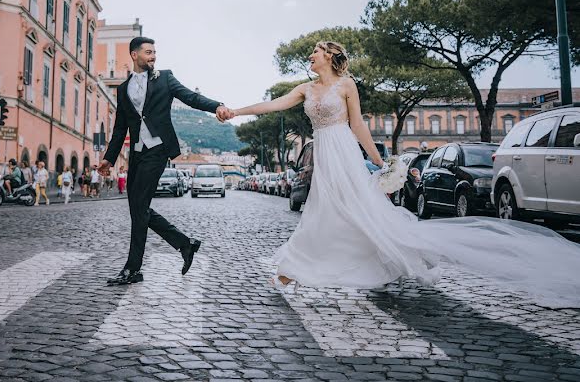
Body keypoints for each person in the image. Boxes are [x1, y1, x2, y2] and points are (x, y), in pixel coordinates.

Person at [226, 41, 580, 308]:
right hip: (325, 155)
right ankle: (296, 268)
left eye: (315, 53)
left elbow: (359, 125)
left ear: (330, 57)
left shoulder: (346, 85)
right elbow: (272, 104)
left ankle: (365, 257)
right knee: (324, 209)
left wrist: (379, 161)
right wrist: (237, 110)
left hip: (343, 152)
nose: (310, 57)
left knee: (353, 209)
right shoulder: (306, 89)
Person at [99, 36, 231, 286]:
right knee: (138, 210)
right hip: (137, 153)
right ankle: (184, 244)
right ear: (134, 55)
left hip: (158, 150)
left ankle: (133, 268)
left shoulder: (165, 78)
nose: (153, 56)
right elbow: (119, 128)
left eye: (155, 52)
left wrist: (217, 106)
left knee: (139, 207)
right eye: (148, 52)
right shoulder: (122, 89)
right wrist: (109, 159)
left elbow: (190, 97)